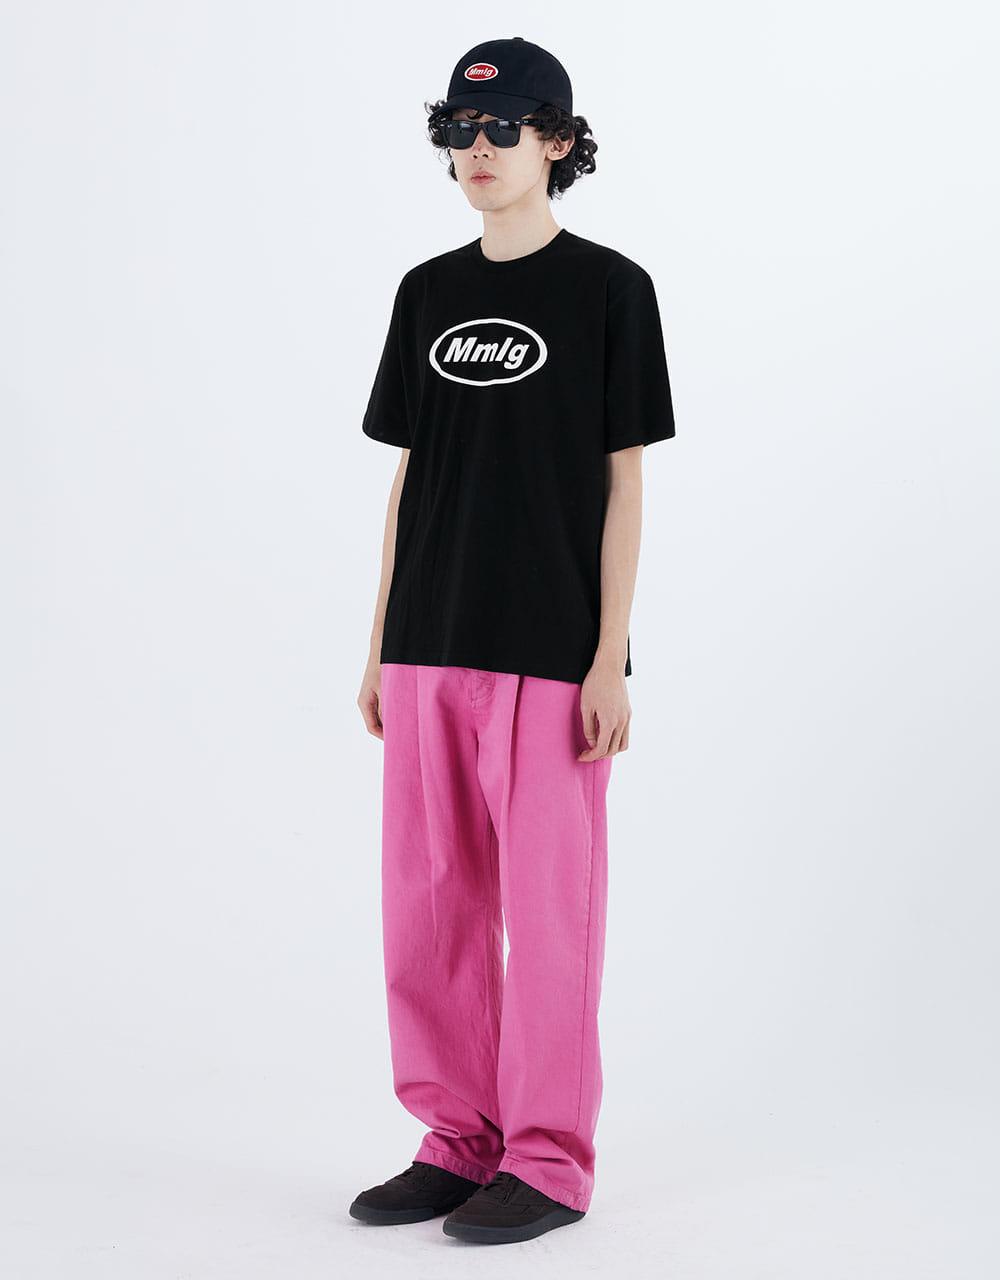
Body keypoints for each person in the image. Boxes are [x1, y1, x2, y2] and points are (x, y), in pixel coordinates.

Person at [350, 36, 676, 1245]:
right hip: (430, 643)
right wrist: (380, 643)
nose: (478, 150)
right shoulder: (424, 293)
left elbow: (624, 482)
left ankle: (546, 1158)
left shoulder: (610, 290)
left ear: (558, 142)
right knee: (427, 908)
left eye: (504, 128)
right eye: (459, 130)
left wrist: (608, 655)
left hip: (549, 650)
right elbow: (409, 478)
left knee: (546, 916)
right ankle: (457, 1137)